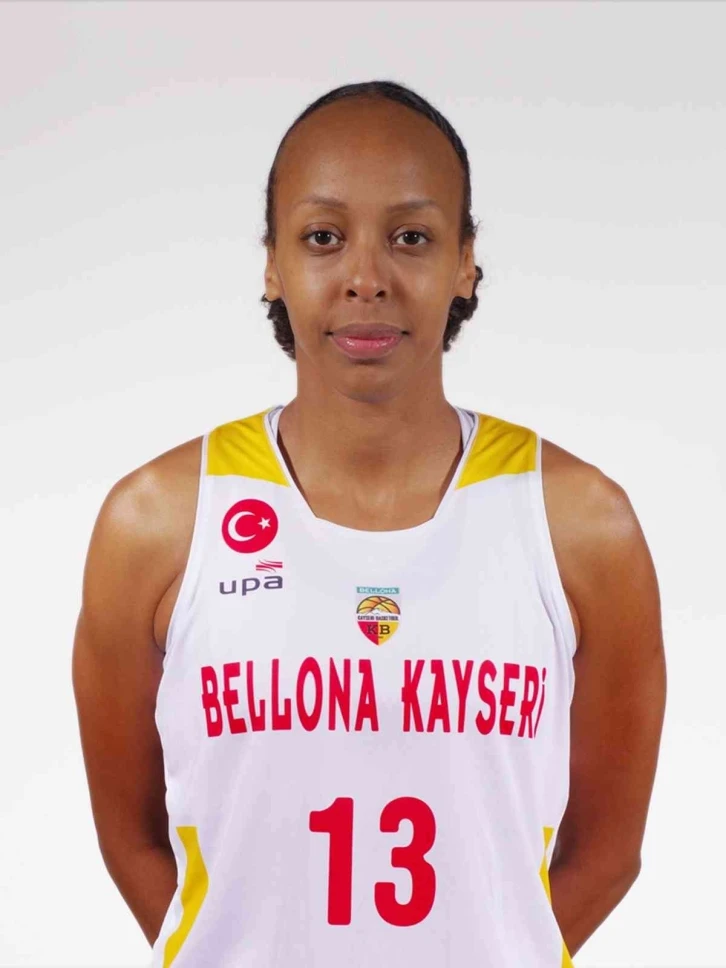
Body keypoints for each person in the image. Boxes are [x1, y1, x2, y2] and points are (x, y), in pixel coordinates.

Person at [72, 80, 666, 967]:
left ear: (465, 262)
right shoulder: (156, 523)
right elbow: (131, 838)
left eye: (411, 237)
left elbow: (608, 854)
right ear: (272, 263)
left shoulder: (581, 525)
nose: (366, 277)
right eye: (322, 237)